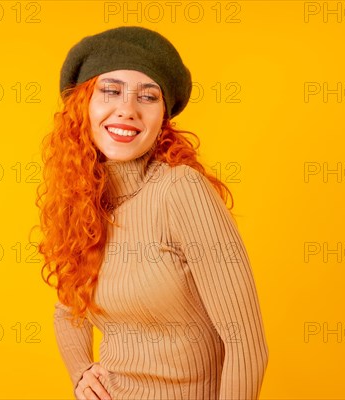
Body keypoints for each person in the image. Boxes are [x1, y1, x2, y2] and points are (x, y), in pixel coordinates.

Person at [35, 26, 269, 400]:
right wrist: (81, 372)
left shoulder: (181, 191)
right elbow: (68, 311)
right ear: (84, 106)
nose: (127, 109)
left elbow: (247, 344)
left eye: (148, 96)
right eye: (110, 91)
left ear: (162, 117)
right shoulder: (81, 201)